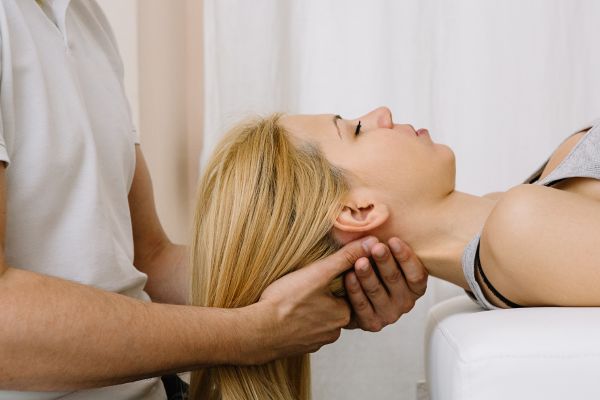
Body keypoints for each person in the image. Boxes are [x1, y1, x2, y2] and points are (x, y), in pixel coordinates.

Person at [0, 2, 427, 399]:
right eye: (352, 129)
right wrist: (252, 335)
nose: (382, 116)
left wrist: (327, 283)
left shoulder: (83, 20)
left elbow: (148, 259)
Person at [189, 108, 600, 398]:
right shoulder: (519, 231)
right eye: (356, 129)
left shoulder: (517, 215)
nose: (381, 114)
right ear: (357, 211)